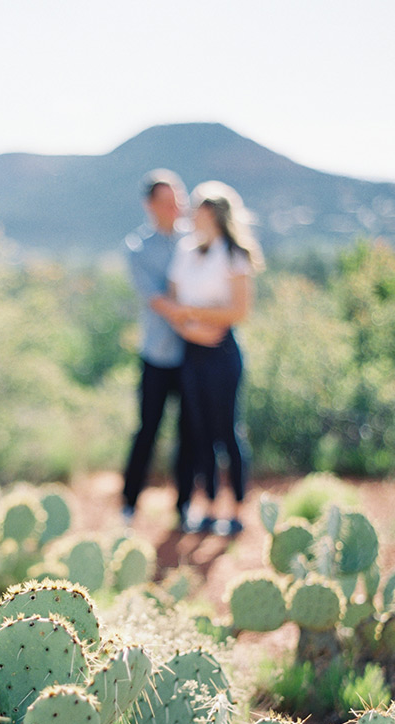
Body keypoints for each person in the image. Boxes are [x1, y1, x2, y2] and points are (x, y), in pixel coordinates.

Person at [155, 181, 264, 537]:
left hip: (222, 353)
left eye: (197, 206)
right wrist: (194, 328)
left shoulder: (234, 254)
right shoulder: (185, 250)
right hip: (192, 350)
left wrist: (195, 317)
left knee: (227, 431)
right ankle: (209, 507)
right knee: (198, 431)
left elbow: (239, 310)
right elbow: (174, 302)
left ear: (213, 213)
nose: (190, 212)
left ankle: (237, 509)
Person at [121, 169, 191, 526]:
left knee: (190, 433)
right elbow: (156, 300)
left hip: (194, 355)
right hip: (157, 354)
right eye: (167, 201)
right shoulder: (138, 249)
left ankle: (184, 507)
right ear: (149, 205)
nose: (175, 206)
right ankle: (129, 504)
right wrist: (195, 319)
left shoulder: (194, 240)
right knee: (147, 429)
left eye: (178, 198)